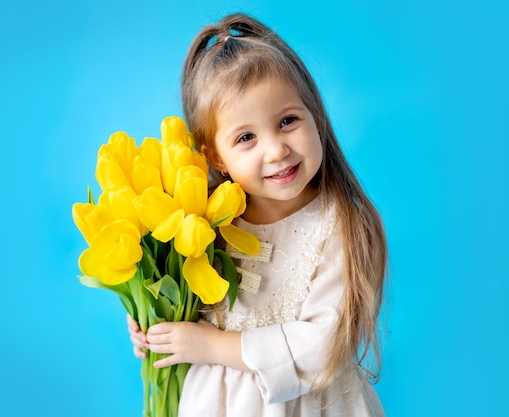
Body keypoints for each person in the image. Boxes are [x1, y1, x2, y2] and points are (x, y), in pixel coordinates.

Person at [127, 12, 388, 417]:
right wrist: (154, 328)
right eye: (246, 137)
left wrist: (209, 345)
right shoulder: (199, 222)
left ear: (316, 118)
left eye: (287, 121)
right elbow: (184, 312)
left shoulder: (343, 227)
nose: (276, 150)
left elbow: (322, 350)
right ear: (216, 157)